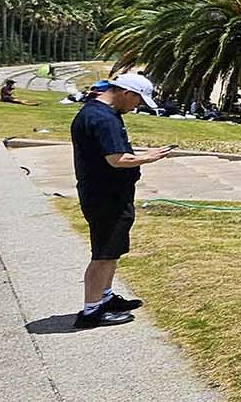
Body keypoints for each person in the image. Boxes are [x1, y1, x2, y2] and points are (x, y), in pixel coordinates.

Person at [69, 73, 171, 329]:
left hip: (109, 193)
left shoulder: (98, 112)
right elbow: (117, 159)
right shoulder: (103, 119)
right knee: (103, 255)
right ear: (127, 93)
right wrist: (149, 157)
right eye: (138, 101)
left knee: (112, 251)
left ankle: (104, 298)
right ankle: (91, 312)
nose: (137, 106)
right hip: (105, 196)